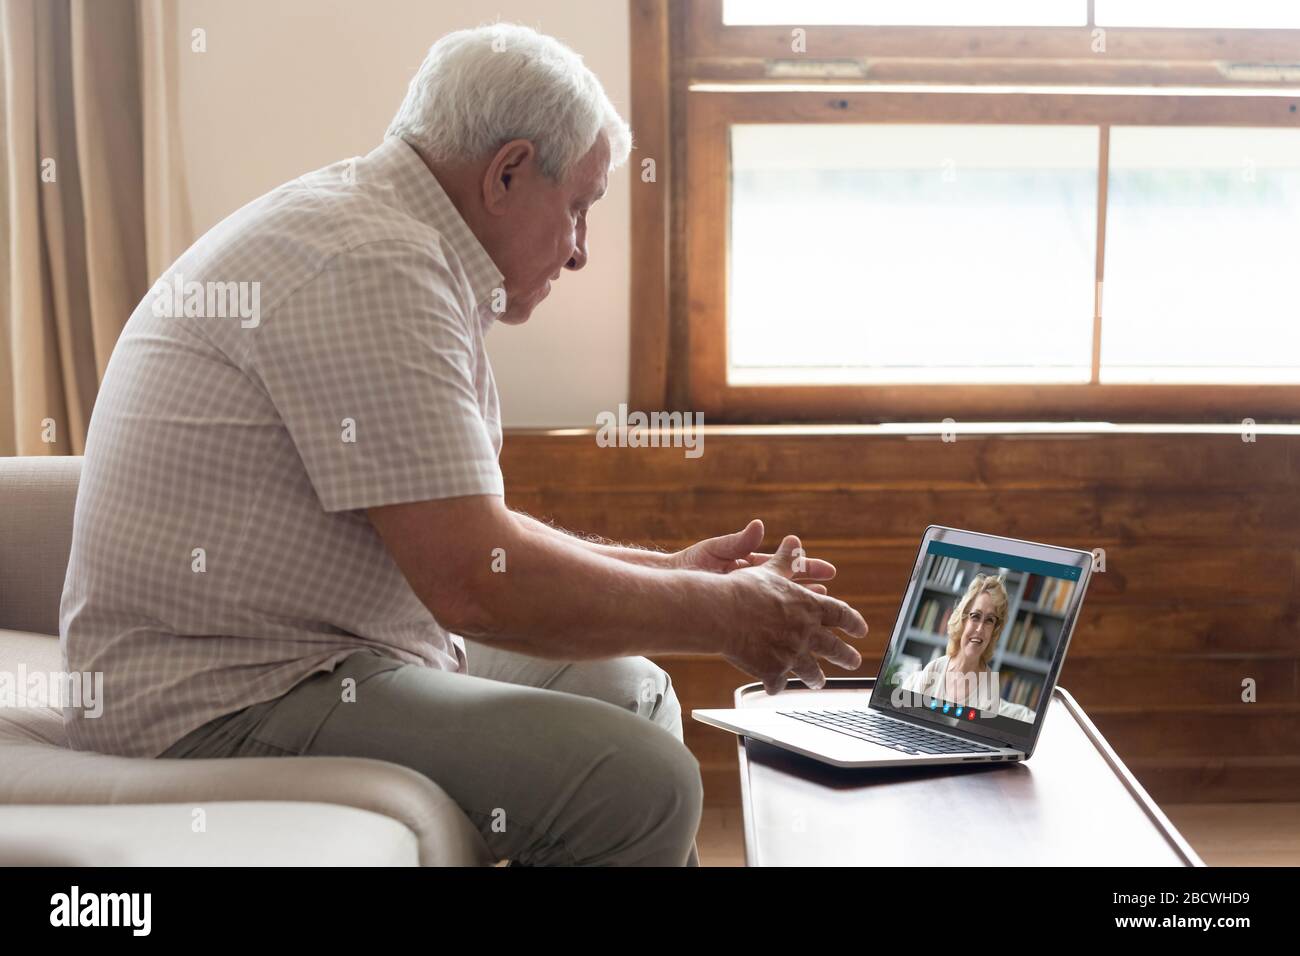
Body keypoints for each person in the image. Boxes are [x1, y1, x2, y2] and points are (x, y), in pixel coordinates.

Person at [59, 23, 866, 867]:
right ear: (508, 171)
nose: (582, 249)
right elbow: (477, 586)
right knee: (643, 781)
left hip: (313, 648)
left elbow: (481, 536)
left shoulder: (385, 237)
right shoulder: (373, 268)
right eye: (580, 206)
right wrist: (727, 615)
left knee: (632, 692)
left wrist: (673, 574)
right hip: (219, 699)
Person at [902, 573, 1034, 721]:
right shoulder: (934, 670)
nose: (980, 629)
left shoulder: (989, 689)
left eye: (989, 620)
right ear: (963, 620)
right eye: (975, 617)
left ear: (994, 631)